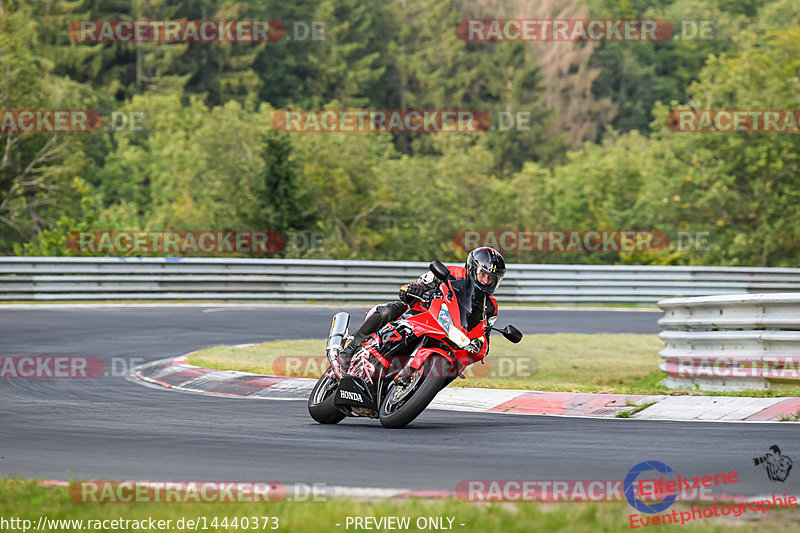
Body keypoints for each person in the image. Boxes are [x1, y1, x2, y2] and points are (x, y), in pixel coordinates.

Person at [339, 247, 506, 362]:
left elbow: (484, 332)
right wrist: (415, 289)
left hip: (448, 333)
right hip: (422, 314)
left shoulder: (491, 306)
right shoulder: (451, 273)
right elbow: (418, 284)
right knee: (388, 311)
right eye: (483, 275)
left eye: (491, 278)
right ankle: (349, 351)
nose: (486, 281)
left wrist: (479, 345)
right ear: (472, 269)